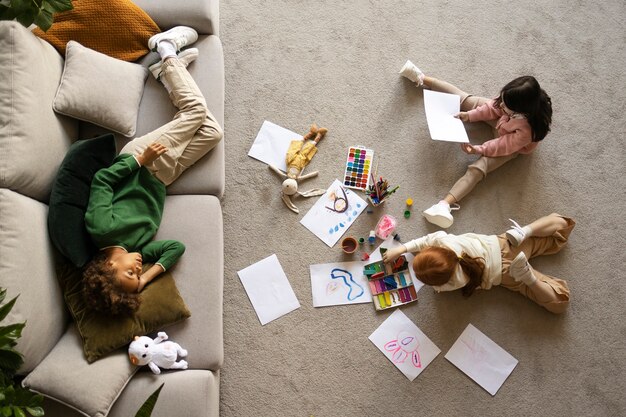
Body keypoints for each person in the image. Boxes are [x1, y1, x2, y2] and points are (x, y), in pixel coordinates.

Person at [82, 26, 223, 315]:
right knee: (212, 132)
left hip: (143, 161)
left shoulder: (100, 230)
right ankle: (169, 75)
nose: (137, 268)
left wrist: (140, 160)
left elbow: (103, 182)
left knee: (195, 111)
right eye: (138, 274)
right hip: (164, 178)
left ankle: (166, 49)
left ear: (109, 266)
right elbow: (175, 248)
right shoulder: (139, 250)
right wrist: (145, 279)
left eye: (130, 274)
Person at [399, 60, 553, 228]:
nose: (501, 104)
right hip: (502, 121)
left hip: (512, 144)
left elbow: (503, 145)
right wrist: (469, 115)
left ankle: (444, 205)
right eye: (501, 99)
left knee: (480, 167)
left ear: (520, 110)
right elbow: (492, 108)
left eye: (505, 105)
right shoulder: (508, 99)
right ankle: (422, 78)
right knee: (465, 99)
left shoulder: (526, 131)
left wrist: (478, 149)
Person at [381, 213, 574, 314]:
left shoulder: (451, 283)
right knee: (560, 226)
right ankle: (526, 230)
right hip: (506, 244)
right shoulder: (445, 241)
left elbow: (437, 288)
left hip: (506, 274)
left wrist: (400, 250)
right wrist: (401, 249)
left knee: (559, 304)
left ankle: (529, 279)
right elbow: (426, 240)